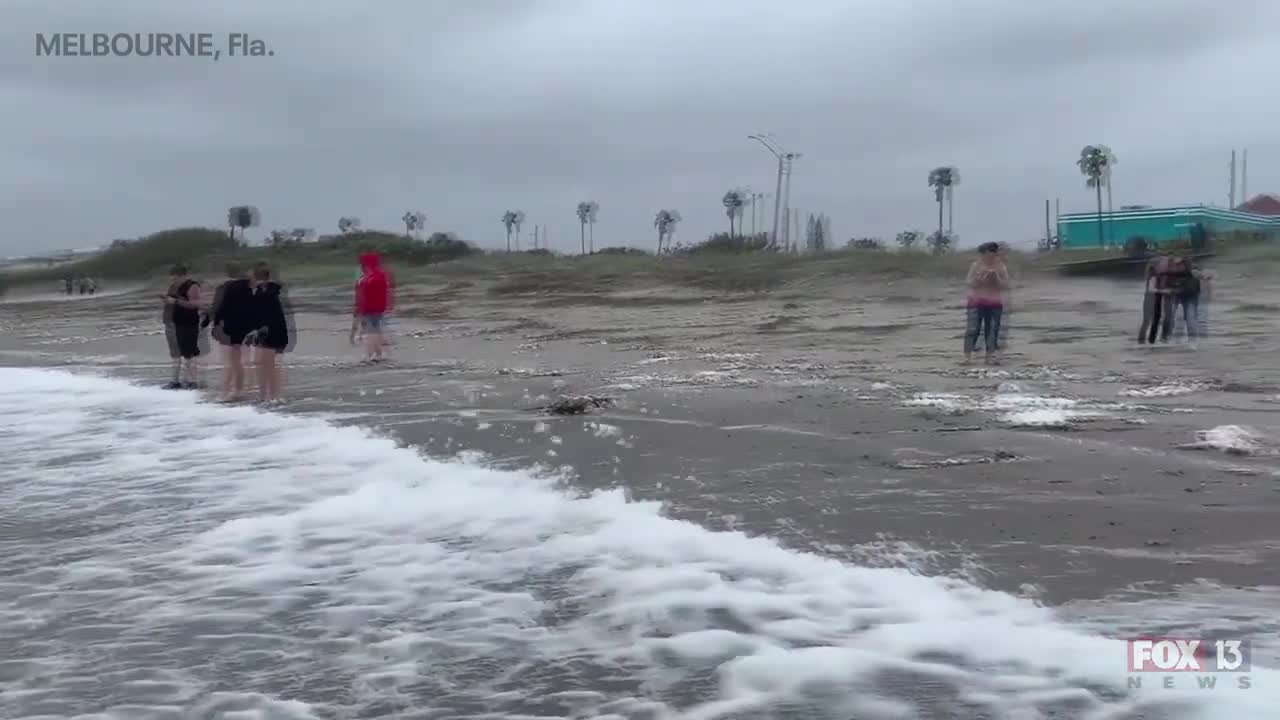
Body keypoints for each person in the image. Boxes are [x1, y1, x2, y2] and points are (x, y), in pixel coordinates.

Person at [248, 263, 293, 404]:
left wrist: (258, 329)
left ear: (257, 277)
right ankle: (268, 396)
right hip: (271, 330)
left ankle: (270, 396)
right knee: (264, 363)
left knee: (266, 364)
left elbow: (266, 314)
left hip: (270, 331)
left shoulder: (266, 292)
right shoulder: (268, 290)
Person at [210, 263, 256, 402]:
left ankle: (234, 391)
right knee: (242, 359)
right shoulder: (250, 287)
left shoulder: (225, 288)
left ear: (228, 273)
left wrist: (215, 323)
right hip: (247, 326)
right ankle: (242, 388)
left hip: (230, 327)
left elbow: (219, 308)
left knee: (232, 361)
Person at [963, 242, 1009, 365]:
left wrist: (996, 277)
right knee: (973, 329)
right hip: (976, 302)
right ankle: (968, 357)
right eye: (984, 254)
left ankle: (990, 357)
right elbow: (969, 283)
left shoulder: (1001, 266)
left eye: (990, 253)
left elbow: (1005, 285)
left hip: (995, 302)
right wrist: (980, 278)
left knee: (993, 329)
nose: (986, 256)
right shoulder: (976, 265)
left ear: (994, 253)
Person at [161, 264, 205, 389]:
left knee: (189, 353)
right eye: (172, 278)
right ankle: (175, 381)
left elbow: (196, 304)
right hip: (174, 322)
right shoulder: (174, 286)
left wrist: (175, 302)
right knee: (176, 352)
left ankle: (192, 381)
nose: (174, 280)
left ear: (183, 275)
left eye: (175, 278)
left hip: (188, 322)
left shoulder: (192, 286)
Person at [351, 252, 393, 363]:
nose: (361, 266)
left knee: (371, 331)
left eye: (363, 264)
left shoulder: (374, 277)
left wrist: (360, 309)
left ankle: (370, 355)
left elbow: (371, 294)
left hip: (373, 309)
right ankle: (379, 354)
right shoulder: (369, 276)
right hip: (370, 309)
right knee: (375, 330)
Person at [1165, 254, 1200, 343]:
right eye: (1176, 265)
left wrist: (1175, 289)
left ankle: (1192, 340)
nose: (1177, 266)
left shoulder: (1193, 274)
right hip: (1176, 296)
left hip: (1190, 296)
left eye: (1180, 264)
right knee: (1169, 315)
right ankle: (1166, 337)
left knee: (1190, 317)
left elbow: (1191, 289)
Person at [1138, 252, 1171, 344]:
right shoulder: (1153, 275)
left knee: (1164, 318)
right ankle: (1141, 341)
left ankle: (1163, 338)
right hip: (1151, 298)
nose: (1167, 264)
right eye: (1165, 262)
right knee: (1147, 320)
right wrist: (1165, 291)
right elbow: (1151, 289)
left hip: (1160, 298)